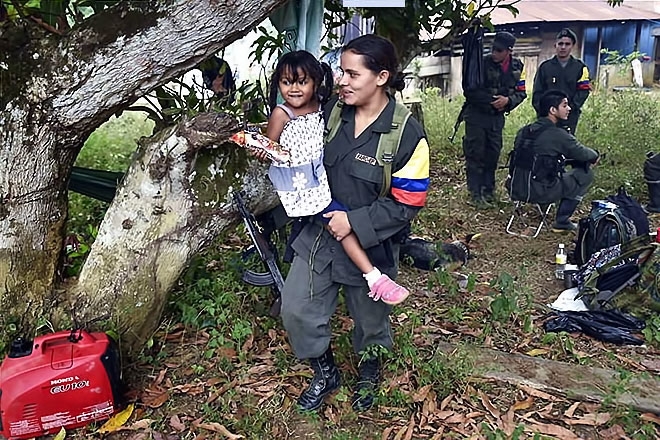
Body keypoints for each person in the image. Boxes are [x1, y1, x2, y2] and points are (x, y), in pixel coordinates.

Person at [277, 36, 429, 412]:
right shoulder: (331, 113)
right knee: (296, 310)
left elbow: (408, 203)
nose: (341, 81)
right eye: (341, 71)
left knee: (371, 322)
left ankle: (368, 371)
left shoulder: (406, 134)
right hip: (318, 234)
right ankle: (325, 371)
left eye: (351, 74)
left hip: (371, 243)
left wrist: (354, 221)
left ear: (381, 77)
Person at [266, 50, 411, 307]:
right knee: (339, 222)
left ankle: (371, 276)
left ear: (316, 82)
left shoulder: (327, 108)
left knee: (340, 221)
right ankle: (374, 276)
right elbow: (270, 148)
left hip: (317, 179)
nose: (294, 89)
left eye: (302, 82)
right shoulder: (282, 114)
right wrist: (260, 149)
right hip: (301, 184)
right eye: (286, 82)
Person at [507, 90, 599, 232]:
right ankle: (562, 221)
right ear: (552, 110)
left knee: (545, 170)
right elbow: (583, 153)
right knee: (584, 175)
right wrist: (595, 155)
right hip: (539, 192)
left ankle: (545, 207)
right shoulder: (557, 134)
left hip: (515, 188)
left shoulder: (524, 131)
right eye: (564, 105)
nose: (569, 108)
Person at [462, 31, 527, 207]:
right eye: (493, 49)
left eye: (499, 50)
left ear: (509, 50)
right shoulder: (481, 63)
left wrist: (508, 101)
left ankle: (488, 192)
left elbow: (521, 92)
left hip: (496, 119)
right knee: (475, 154)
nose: (494, 53)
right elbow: (470, 91)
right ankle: (475, 193)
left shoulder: (517, 66)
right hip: (477, 115)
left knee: (492, 154)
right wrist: (492, 101)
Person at [532, 28, 591, 135]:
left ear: (572, 46)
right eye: (560, 43)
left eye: (567, 44)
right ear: (555, 45)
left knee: (566, 146)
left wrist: (569, 108)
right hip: (548, 117)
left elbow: (583, 92)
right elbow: (537, 93)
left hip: (569, 117)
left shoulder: (580, 68)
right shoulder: (545, 67)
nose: (563, 47)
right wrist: (544, 112)